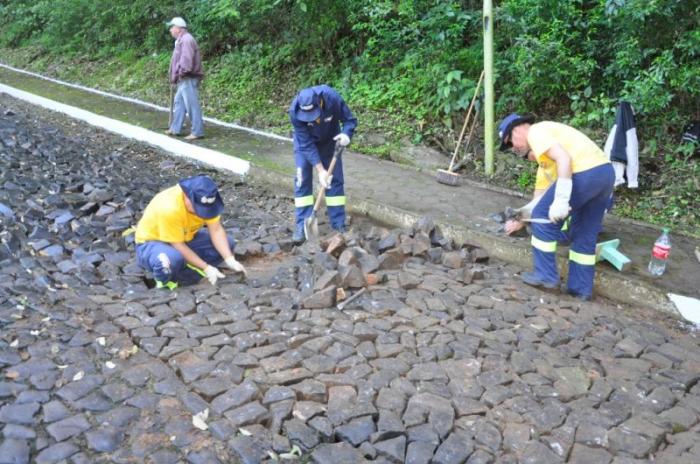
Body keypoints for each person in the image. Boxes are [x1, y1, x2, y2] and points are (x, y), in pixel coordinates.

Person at [499, 113, 614, 300]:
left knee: (544, 221)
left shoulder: (536, 131)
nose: (515, 149)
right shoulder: (547, 161)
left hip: (585, 173)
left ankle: (546, 277)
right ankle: (580, 290)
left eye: (510, 142)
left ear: (518, 128)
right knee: (584, 234)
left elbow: (565, 160)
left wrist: (560, 201)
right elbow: (539, 199)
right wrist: (522, 218)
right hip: (605, 174)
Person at [134, 175, 246, 289]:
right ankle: (166, 285)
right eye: (198, 208)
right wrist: (206, 267)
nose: (202, 213)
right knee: (167, 261)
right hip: (153, 243)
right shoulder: (169, 208)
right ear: (186, 196)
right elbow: (177, 245)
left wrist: (229, 259)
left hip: (185, 238)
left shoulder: (208, 199)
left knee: (229, 244)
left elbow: (216, 230)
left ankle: (186, 274)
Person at [289, 85, 357, 243]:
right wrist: (320, 171)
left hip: (330, 142)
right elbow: (305, 144)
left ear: (319, 102)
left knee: (334, 180)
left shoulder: (332, 98)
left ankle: (338, 224)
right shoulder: (294, 112)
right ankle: (302, 224)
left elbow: (349, 120)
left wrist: (346, 134)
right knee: (302, 180)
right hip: (305, 145)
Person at [165, 17, 204, 140]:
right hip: (184, 78)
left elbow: (186, 61)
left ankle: (197, 132)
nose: (170, 30)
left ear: (178, 28)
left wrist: (180, 74)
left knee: (192, 105)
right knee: (179, 103)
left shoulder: (186, 40)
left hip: (188, 77)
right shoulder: (181, 40)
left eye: (172, 27)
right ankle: (175, 128)